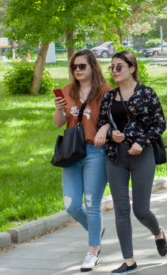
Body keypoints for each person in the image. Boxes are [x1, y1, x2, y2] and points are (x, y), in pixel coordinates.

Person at [95, 51, 167, 274]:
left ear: (132, 68)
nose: (114, 71)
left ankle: (158, 232)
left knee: (141, 210)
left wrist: (142, 142)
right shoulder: (109, 97)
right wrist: (111, 134)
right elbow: (102, 123)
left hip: (141, 155)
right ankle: (129, 261)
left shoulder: (146, 93)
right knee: (121, 209)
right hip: (116, 157)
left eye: (119, 67)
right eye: (112, 67)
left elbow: (159, 124)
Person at [53, 50, 111, 272]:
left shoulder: (105, 91)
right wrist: (59, 108)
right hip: (71, 153)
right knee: (71, 205)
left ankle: (92, 252)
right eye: (74, 67)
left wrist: (104, 129)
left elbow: (115, 120)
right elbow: (59, 123)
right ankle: (96, 230)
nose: (77, 70)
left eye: (82, 66)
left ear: (92, 67)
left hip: (95, 152)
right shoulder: (68, 91)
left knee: (91, 204)